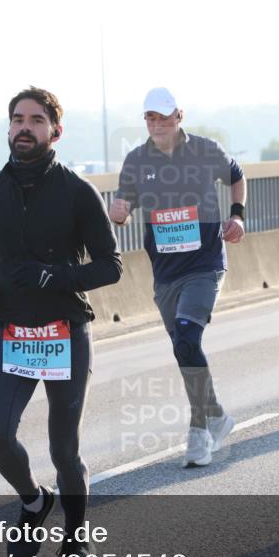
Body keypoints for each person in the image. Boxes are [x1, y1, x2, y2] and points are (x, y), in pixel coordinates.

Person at [0, 86, 122, 557]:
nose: (25, 128)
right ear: (8, 127)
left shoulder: (77, 192)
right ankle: (34, 501)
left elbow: (110, 266)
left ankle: (76, 536)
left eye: (36, 120)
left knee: (63, 448)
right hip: (13, 333)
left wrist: (55, 276)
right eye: (17, 119)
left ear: (55, 131)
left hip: (64, 333)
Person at [109, 87, 246, 466]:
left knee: (187, 337)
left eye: (163, 117)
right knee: (184, 349)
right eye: (150, 118)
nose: (157, 125)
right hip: (165, 274)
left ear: (179, 116)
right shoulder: (136, 161)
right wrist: (117, 211)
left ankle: (199, 429)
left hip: (204, 267)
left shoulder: (205, 151)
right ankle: (217, 415)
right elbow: (123, 211)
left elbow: (237, 175)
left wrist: (237, 214)